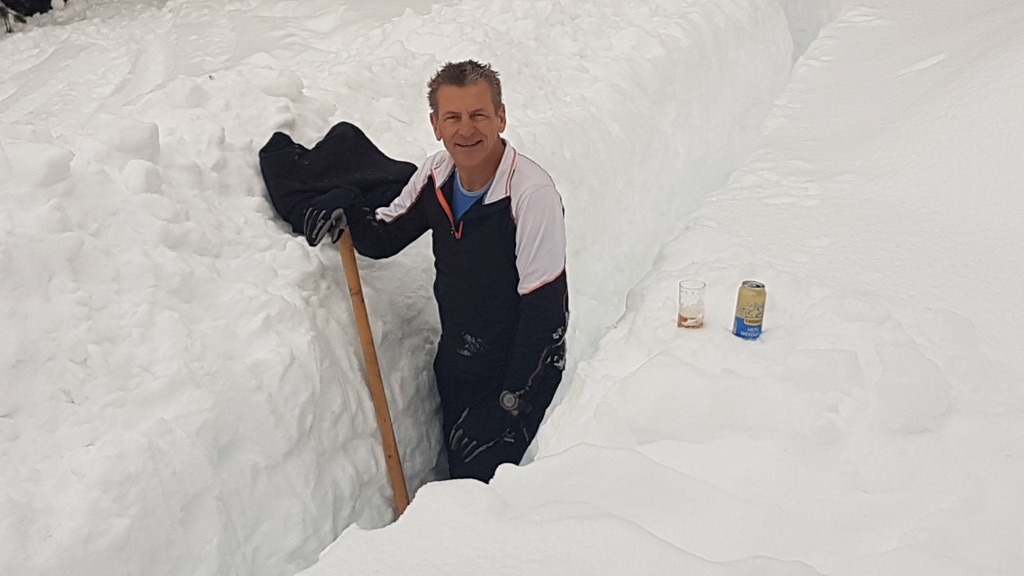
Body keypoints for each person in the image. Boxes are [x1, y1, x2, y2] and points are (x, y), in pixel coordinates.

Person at [306, 60, 569, 482]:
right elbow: (384, 237)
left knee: (494, 493)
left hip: (519, 371)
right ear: (435, 125)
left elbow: (546, 315)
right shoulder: (436, 175)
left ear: (501, 117)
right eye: (453, 117)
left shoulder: (530, 195)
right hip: (459, 364)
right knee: (460, 477)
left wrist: (510, 403)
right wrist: (346, 204)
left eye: (478, 115)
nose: (466, 130)